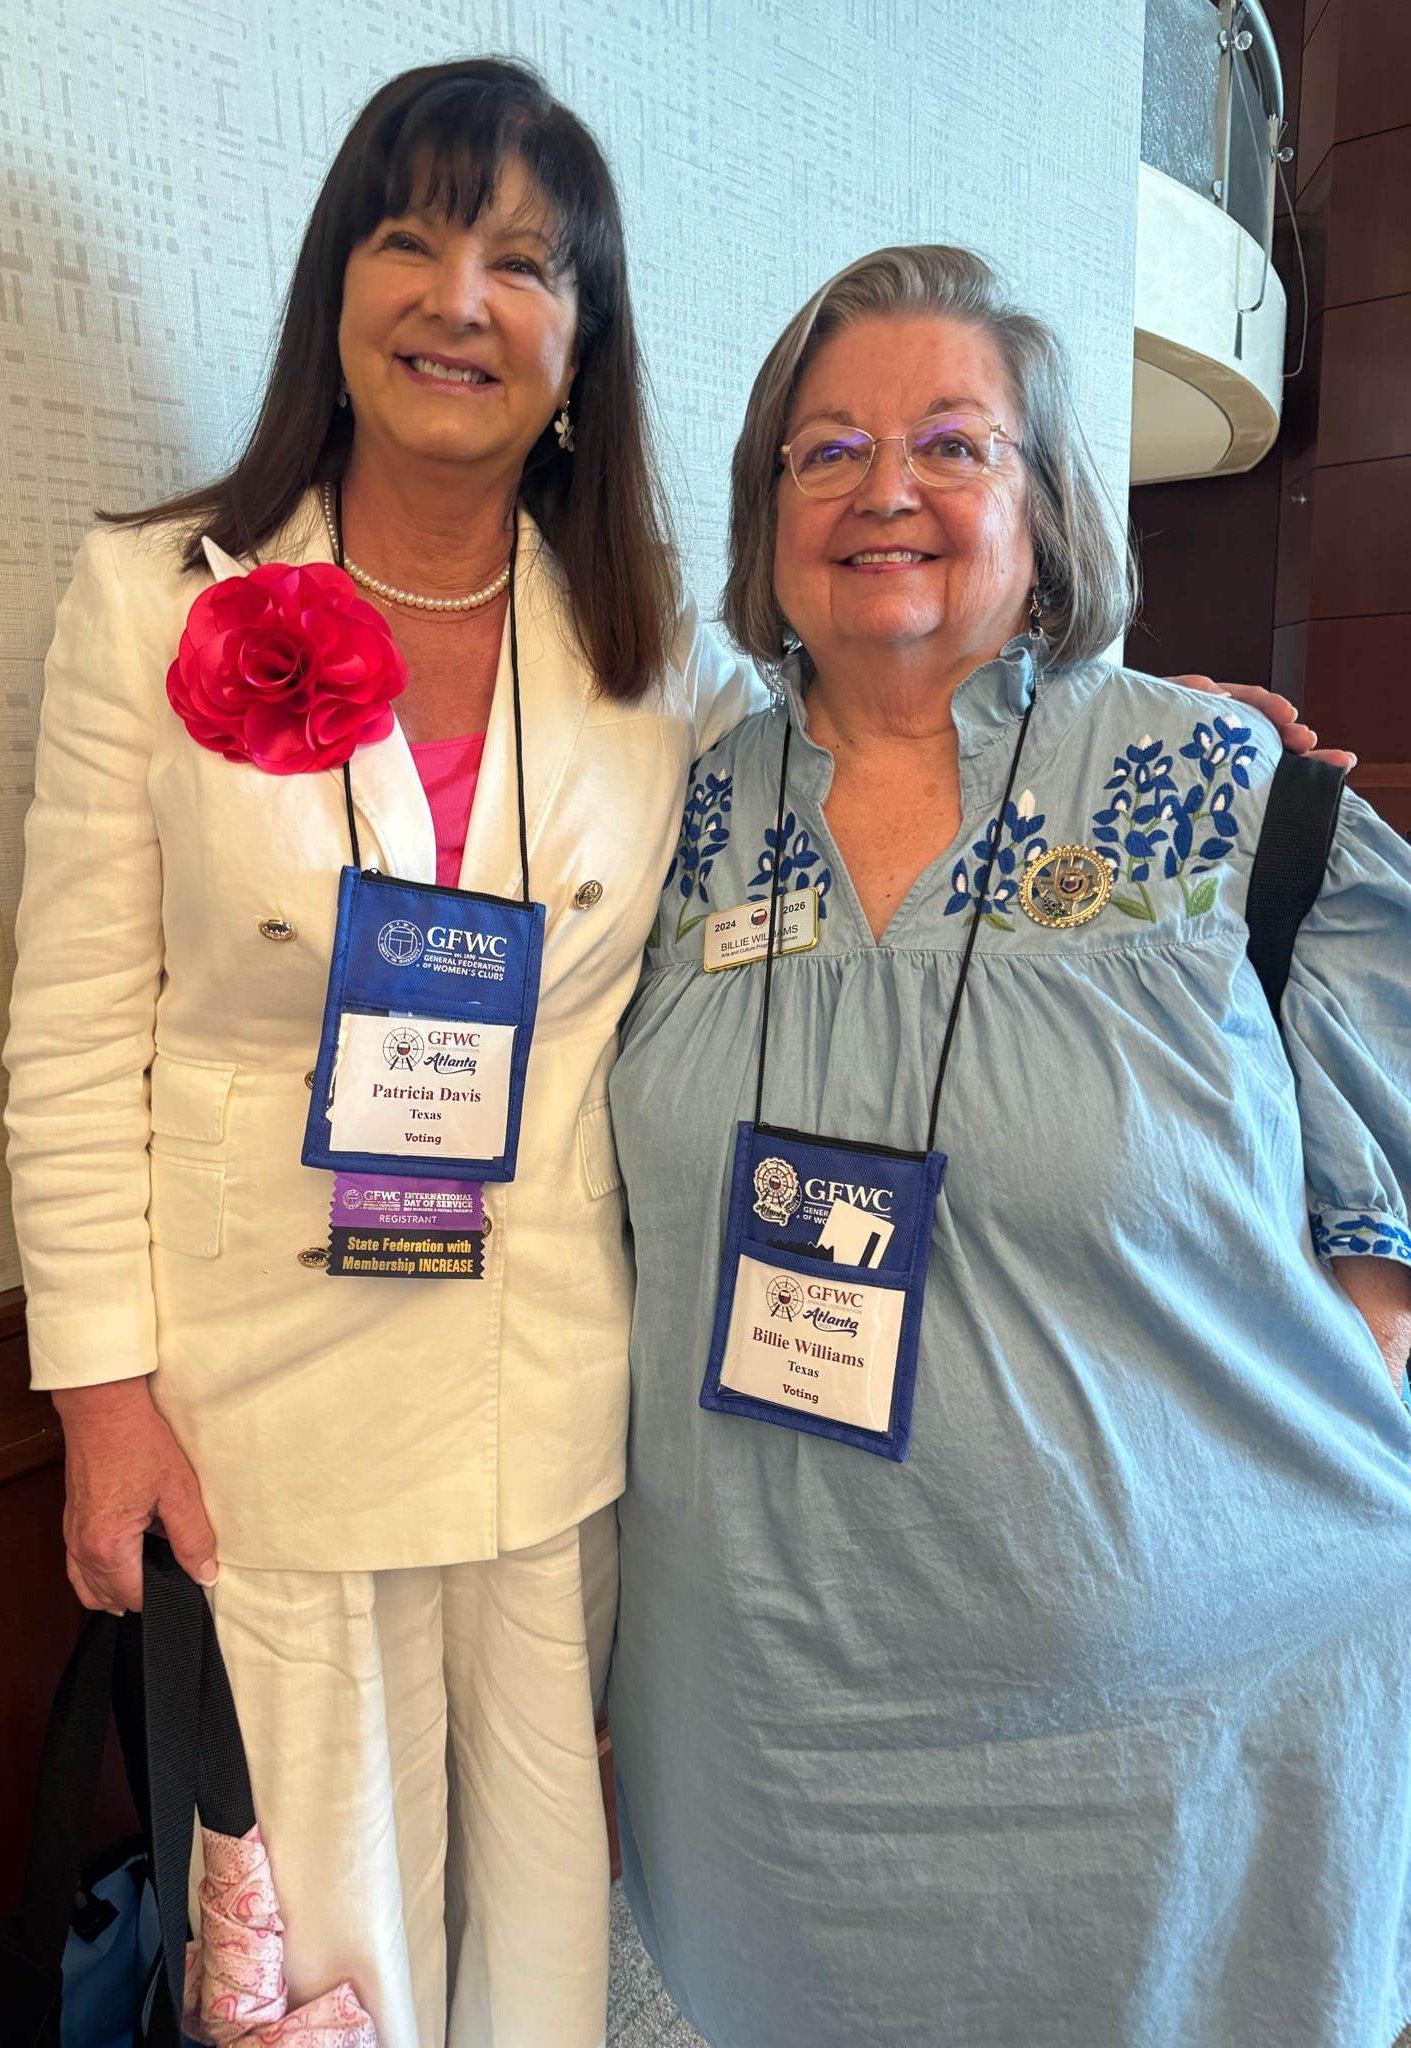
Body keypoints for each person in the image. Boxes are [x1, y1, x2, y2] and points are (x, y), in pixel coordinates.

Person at [1, 59, 760, 2048]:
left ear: (582, 343)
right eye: (409, 238)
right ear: (335, 290)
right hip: (257, 1414)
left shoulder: (655, 649)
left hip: (542, 1399)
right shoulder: (155, 598)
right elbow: (74, 1026)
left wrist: (1106, 726)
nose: (458, 298)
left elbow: (864, 781)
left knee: (539, 1942)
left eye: (523, 262)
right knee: (321, 1961)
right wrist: (101, 1401)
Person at [606, 245, 1411, 2048]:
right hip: (777, 1743)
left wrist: (1316, 1397)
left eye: (953, 444)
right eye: (828, 449)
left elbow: (1388, 1188)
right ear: (767, 514)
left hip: (1177, 1737)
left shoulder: (1218, 791)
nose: (885, 489)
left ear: (1042, 512)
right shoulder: (668, 822)